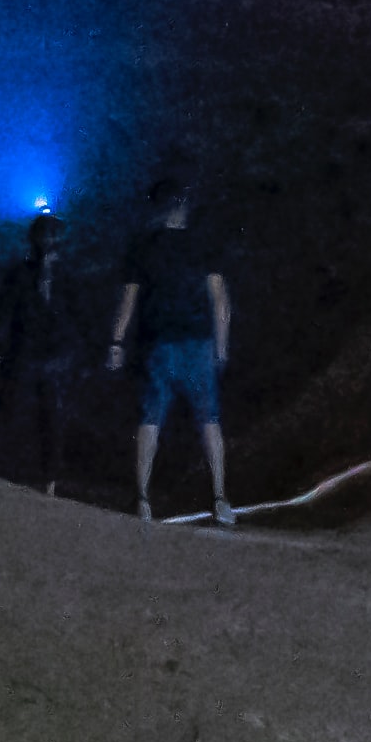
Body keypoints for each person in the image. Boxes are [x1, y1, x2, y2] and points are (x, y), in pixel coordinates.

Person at [110, 173, 232, 521]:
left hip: (157, 343)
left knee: (150, 419)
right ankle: (220, 498)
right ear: (183, 205)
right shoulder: (201, 242)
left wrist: (116, 341)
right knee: (209, 420)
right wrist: (221, 347)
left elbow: (128, 300)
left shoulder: (144, 245)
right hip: (197, 342)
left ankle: (142, 499)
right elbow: (219, 299)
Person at [0, 205, 75, 489]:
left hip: (51, 357)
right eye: (48, 238)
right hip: (25, 354)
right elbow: (3, 313)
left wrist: (71, 354)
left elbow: (76, 317)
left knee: (50, 418)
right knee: (7, 410)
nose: (51, 245)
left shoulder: (66, 278)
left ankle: (49, 482)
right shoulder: (20, 274)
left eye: (55, 239)